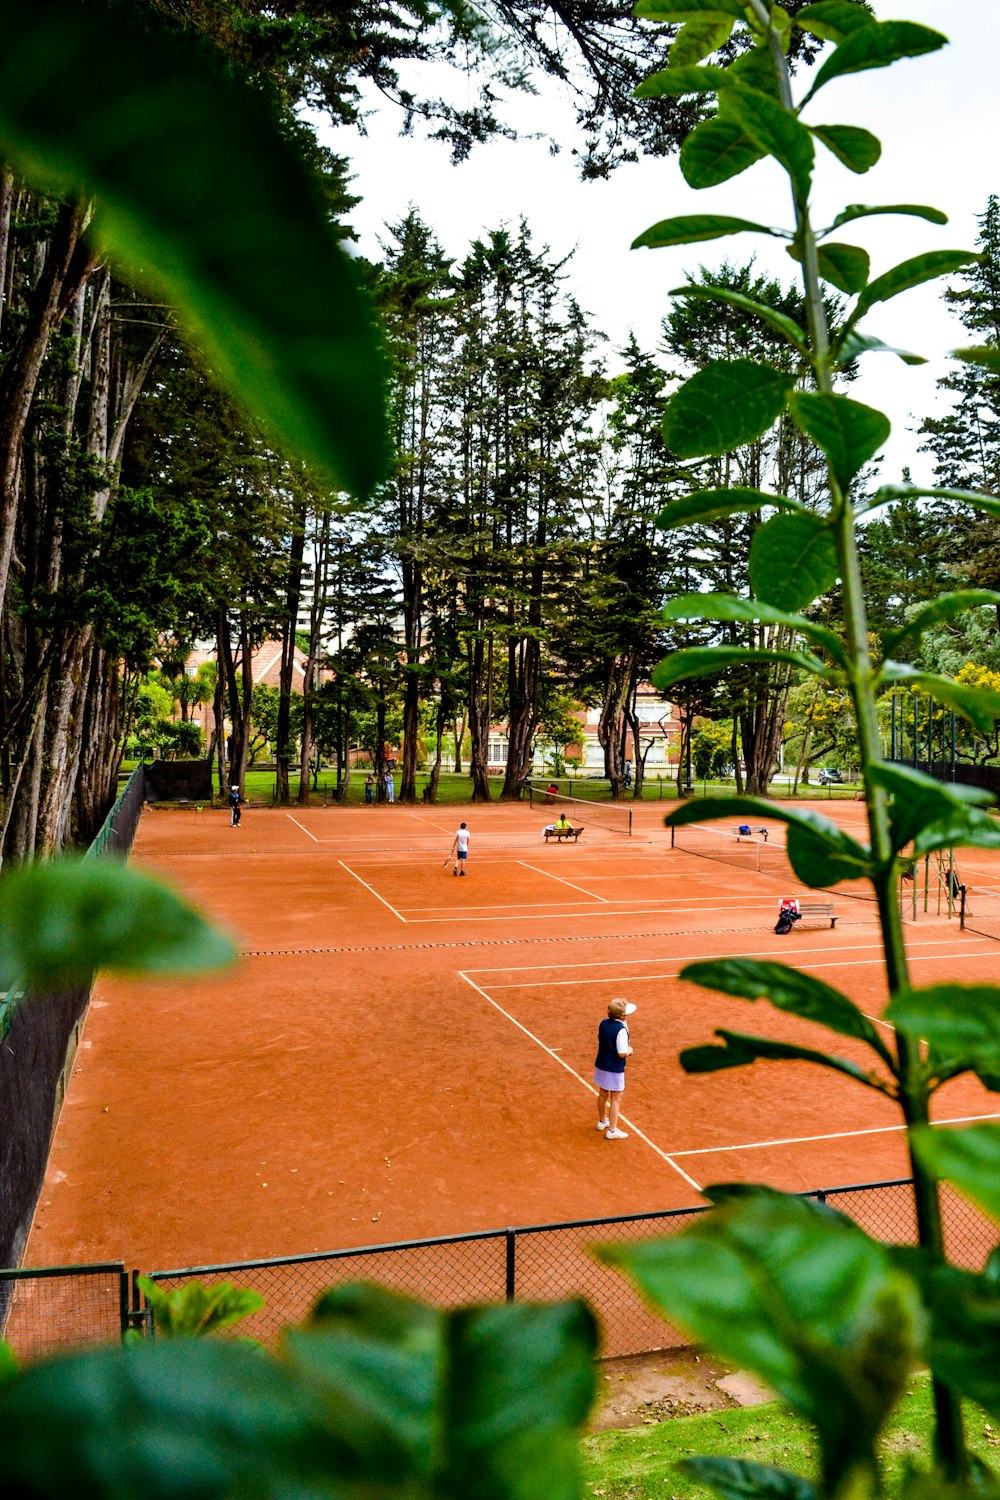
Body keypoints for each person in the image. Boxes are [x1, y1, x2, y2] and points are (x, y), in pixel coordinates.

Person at [594, 997, 634, 1140]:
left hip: (601, 1064)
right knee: (616, 1098)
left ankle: (602, 1122)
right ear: (621, 1015)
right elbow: (622, 1052)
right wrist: (630, 1050)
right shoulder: (620, 1030)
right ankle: (612, 1130)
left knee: (603, 1093)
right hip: (614, 1068)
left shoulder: (603, 1023)